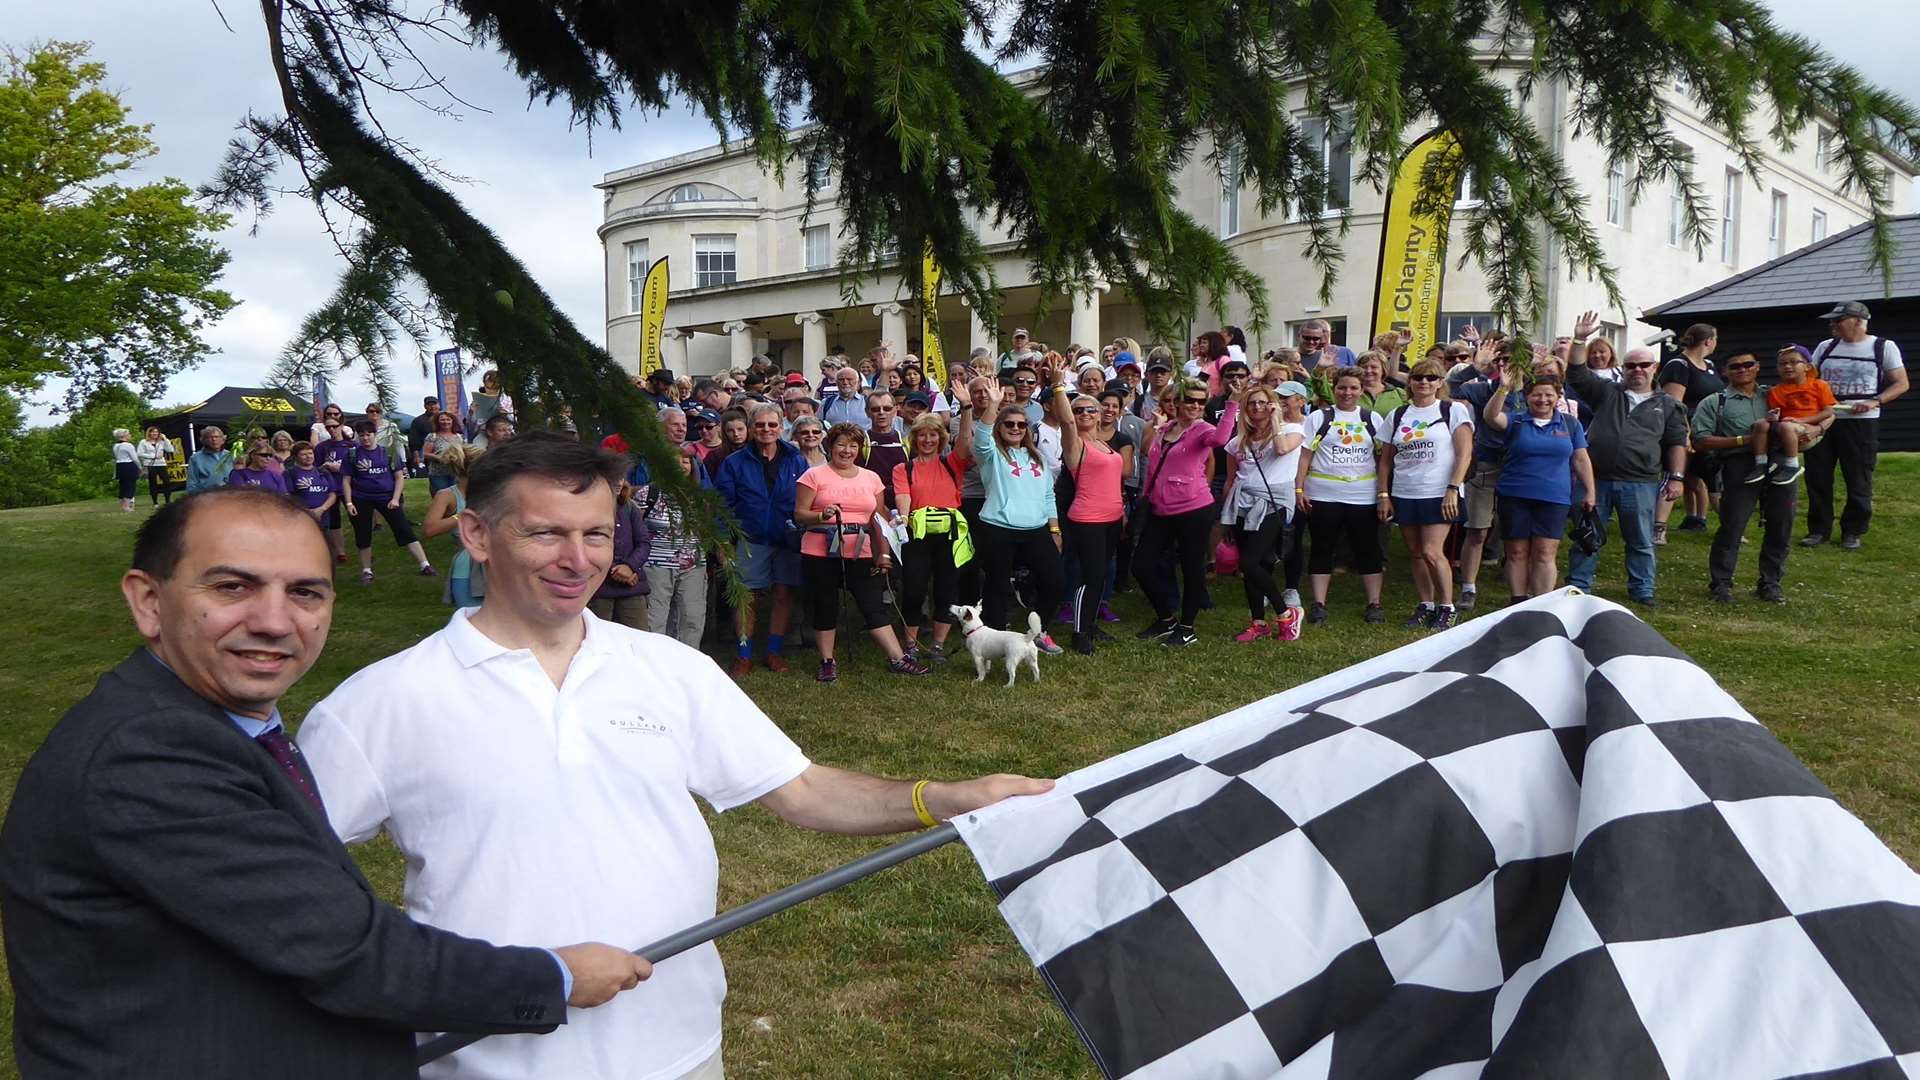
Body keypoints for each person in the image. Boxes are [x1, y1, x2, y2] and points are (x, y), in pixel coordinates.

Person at [296, 434, 1047, 1077]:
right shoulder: (379, 703)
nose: (576, 559)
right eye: (544, 533)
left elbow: (806, 792)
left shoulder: (669, 667)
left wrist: (946, 798)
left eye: (594, 534)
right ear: (477, 537)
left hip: (679, 1050)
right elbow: (284, 889)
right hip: (484, 1059)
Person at [0, 489, 649, 1080]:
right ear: (149, 601)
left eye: (306, 593)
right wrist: (558, 975)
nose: (275, 622)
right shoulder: (148, 754)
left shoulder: (224, 725)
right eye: (232, 587)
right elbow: (350, 955)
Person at [792, 424, 928, 680]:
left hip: (862, 550)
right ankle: (827, 661)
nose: (847, 450)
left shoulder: (871, 478)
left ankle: (898, 659)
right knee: (825, 606)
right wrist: (822, 514)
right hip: (820, 550)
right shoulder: (813, 476)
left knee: (873, 604)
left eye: (853, 445)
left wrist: (884, 553)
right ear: (830, 446)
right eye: (841, 444)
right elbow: (800, 514)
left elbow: (878, 518)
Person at [1566, 346, 1688, 605]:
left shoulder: (1668, 405)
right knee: (1588, 535)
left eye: (1644, 365)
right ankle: (1578, 585)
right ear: (1623, 368)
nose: (1638, 370)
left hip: (1640, 481)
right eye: (1631, 365)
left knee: (1641, 538)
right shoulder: (1607, 392)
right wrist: (1579, 340)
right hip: (1596, 479)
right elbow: (1577, 374)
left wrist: (1677, 477)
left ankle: (1643, 589)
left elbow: (1677, 442)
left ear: (1654, 368)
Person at [952, 375, 1066, 653]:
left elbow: (1048, 495)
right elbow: (980, 438)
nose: (1015, 428)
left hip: (1037, 528)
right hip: (998, 528)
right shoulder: (990, 455)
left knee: (1055, 581)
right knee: (996, 585)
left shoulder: (1037, 456)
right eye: (1009, 424)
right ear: (1000, 427)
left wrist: (1054, 529)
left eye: (1020, 424)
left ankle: (1040, 630)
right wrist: (993, 405)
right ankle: (995, 639)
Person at [1135, 379, 1239, 647]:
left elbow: (1220, 439)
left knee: (1192, 569)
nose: (1195, 405)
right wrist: (1146, 496)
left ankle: (1187, 627)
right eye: (1190, 400)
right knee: (1142, 565)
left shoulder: (1202, 430)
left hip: (1193, 509)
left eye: (1200, 402)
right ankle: (1166, 619)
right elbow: (1152, 464)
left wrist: (1232, 404)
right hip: (1160, 509)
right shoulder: (1166, 428)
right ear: (1178, 402)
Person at [1802, 300, 1909, 550]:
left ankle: (1853, 531)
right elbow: (1809, 380)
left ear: (1858, 322)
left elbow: (1901, 383)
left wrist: (1875, 400)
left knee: (1858, 478)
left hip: (1861, 423)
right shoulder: (1825, 347)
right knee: (1818, 476)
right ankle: (1818, 530)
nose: (1833, 325)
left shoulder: (1883, 347)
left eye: (1838, 321)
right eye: (1832, 321)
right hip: (1825, 420)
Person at [1482, 370, 1596, 604]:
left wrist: (1590, 491)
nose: (1542, 400)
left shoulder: (1570, 423)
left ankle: (1542, 603)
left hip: (1554, 498)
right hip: (1515, 495)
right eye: (1536, 395)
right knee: (1517, 552)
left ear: (1558, 397)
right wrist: (1503, 389)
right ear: (1526, 397)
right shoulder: (1516, 420)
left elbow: (1581, 459)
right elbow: (1491, 417)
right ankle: (1518, 600)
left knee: (1545, 553)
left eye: (1548, 395)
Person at [1378, 359, 1475, 630]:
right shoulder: (1397, 415)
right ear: (1409, 382)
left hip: (1439, 490)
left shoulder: (1452, 410)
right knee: (1416, 552)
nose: (1424, 382)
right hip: (1405, 490)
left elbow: (1464, 454)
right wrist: (1384, 494)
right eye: (1418, 377)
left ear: (1440, 382)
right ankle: (1426, 604)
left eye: (1431, 378)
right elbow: (1385, 460)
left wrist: (1453, 489)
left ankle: (1447, 606)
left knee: (1433, 551)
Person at [713, 402, 807, 676]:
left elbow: (805, 499)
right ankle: (744, 654)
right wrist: (723, 544)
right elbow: (721, 506)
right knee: (747, 599)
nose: (767, 429)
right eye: (760, 425)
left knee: (783, 595)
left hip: (787, 538)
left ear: (781, 427)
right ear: (752, 428)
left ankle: (774, 652)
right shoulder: (734, 462)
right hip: (749, 538)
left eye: (772, 424)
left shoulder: (795, 459)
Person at [1692, 353, 1795, 604]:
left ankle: (1770, 583)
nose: (1742, 370)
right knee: (1733, 525)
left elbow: (1819, 409)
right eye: (1735, 366)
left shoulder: (1776, 394)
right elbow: (1700, 440)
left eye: (1748, 365)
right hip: (1739, 464)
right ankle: (1721, 584)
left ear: (1758, 367)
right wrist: (1745, 440)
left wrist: (1818, 427)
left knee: (1781, 525)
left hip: (1780, 461)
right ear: (1725, 372)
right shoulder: (1715, 401)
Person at [1046, 357, 1131, 655]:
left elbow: (1114, 482)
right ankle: (1080, 634)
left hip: (1110, 518)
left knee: (1102, 575)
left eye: (1089, 409)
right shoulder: (1075, 444)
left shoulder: (1106, 444)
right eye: (1078, 409)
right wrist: (1058, 385)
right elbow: (1066, 421)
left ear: (1100, 415)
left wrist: (1120, 514)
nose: (1082, 413)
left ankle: (1091, 623)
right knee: (1091, 576)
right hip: (1087, 520)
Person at [1295, 369, 1388, 625]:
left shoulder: (1373, 419)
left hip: (1363, 496)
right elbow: (1305, 455)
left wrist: (1383, 494)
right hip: (1324, 494)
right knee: (1322, 548)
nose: (1348, 393)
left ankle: (1374, 603)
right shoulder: (1318, 418)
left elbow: (1382, 460)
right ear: (1334, 389)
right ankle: (1319, 604)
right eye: (1342, 388)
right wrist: (1299, 488)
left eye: (1354, 388)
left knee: (1368, 549)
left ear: (1362, 390)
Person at [1223, 383, 1307, 642]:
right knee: (1249, 567)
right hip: (1242, 502)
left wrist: (1276, 420)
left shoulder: (1292, 430)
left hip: (1273, 502)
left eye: (1263, 402)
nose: (1257, 407)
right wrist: (1225, 517)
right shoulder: (1237, 442)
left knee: (1251, 561)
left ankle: (1285, 613)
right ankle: (1258, 621)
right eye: (1251, 403)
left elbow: (1282, 449)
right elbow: (1230, 478)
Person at [892, 414, 969, 664]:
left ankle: (937, 645)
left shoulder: (952, 463)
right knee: (914, 590)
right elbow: (903, 495)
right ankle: (911, 645)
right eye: (922, 434)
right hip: (917, 534)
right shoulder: (904, 468)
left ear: (941, 437)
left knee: (947, 589)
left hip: (949, 535)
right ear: (914, 438)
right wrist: (903, 517)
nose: (927, 439)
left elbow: (965, 441)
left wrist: (966, 408)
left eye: (933, 434)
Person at [342, 420, 435, 584]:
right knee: (363, 534)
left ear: (375, 435)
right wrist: (349, 503)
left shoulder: (388, 453)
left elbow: (399, 478)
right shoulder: (352, 455)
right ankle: (366, 570)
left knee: (404, 529)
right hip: (361, 497)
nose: (365, 438)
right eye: (361, 435)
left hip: (386, 497)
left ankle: (425, 565)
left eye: (368, 435)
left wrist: (395, 498)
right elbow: (346, 480)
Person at [1658, 323, 1725, 539]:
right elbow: (1674, 404)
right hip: (1685, 429)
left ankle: (1723, 525)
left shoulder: (1710, 365)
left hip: (1709, 430)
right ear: (1708, 341)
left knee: (1706, 479)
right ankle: (1658, 529)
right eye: (1715, 338)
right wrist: (1684, 435)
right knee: (1675, 475)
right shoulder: (1679, 365)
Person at [638, 446, 710, 648]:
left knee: (692, 618)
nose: (681, 465)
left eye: (686, 461)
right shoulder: (648, 494)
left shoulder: (700, 497)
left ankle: (687, 664)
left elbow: (706, 531)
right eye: (675, 460)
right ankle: (655, 665)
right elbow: (636, 529)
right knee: (655, 619)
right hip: (656, 566)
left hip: (693, 566)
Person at [1747, 344, 1836, 487]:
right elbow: (1778, 414)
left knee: (1787, 426)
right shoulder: (1776, 391)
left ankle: (1792, 465)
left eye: (1794, 362)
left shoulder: (1819, 385)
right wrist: (1772, 417)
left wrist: (1801, 420)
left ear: (1807, 366)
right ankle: (1761, 463)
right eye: (1783, 364)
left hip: (1808, 430)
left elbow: (1829, 411)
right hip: (1786, 428)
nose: (1787, 366)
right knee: (1761, 424)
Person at [421, 443, 487, 609]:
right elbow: (430, 529)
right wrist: (464, 515)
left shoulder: (491, 492)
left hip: (499, 564)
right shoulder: (447, 495)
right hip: (468, 566)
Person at [587, 478, 651, 630]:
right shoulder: (587, 507)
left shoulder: (629, 507)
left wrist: (630, 567)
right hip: (599, 587)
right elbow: (587, 543)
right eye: (613, 475)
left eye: (621, 477)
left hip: (631, 587)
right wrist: (618, 570)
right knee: (597, 639)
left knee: (637, 640)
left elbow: (644, 543)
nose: (618, 481)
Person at [862, 391, 909, 506]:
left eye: (887, 408)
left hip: (902, 503)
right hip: (871, 502)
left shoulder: (905, 440)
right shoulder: (861, 442)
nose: (881, 413)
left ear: (895, 410)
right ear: (867, 412)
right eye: (875, 409)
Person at [286, 442, 338, 530]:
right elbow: (288, 496)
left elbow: (332, 494)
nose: (308, 456)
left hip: (323, 516)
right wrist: (305, 511)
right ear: (295, 457)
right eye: (303, 454)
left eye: (310, 453)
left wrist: (322, 509)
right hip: (301, 516)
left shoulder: (323, 472)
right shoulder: (290, 473)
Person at [422, 409, 467, 494]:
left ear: (452, 421)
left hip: (456, 473)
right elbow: (425, 454)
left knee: (457, 497)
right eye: (442, 419)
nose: (445, 422)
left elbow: (465, 451)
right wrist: (438, 457)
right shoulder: (432, 436)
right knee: (441, 495)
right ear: (438, 422)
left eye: (448, 419)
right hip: (438, 474)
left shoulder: (460, 437)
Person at [227, 443, 292, 493]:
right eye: (264, 455)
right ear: (252, 455)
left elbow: (283, 498)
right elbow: (239, 496)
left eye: (270, 456)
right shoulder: (238, 474)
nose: (268, 458)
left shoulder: (276, 476)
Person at [186, 426, 233, 494]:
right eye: (210, 437)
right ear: (204, 440)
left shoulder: (231, 455)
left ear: (223, 440)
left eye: (217, 437)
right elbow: (191, 486)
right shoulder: (195, 459)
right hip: (208, 498)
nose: (214, 439)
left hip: (231, 496)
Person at [136, 425, 175, 506]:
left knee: (167, 482)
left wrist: (165, 439)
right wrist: (153, 456)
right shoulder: (143, 442)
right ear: (149, 433)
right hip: (150, 465)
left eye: (157, 432)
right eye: (153, 432)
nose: (155, 433)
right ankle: (155, 502)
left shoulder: (162, 441)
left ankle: (167, 500)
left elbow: (170, 450)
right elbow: (139, 453)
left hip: (161, 464)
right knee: (153, 483)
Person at [408, 396, 442, 469]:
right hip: (426, 453)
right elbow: (413, 439)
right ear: (425, 406)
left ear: (438, 405)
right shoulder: (418, 421)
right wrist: (416, 456)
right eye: (429, 405)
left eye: (434, 404)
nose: (432, 407)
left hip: (444, 450)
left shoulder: (446, 418)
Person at [112, 428, 141, 511]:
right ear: (124, 435)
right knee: (130, 486)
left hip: (119, 465)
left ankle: (122, 505)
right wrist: (140, 467)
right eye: (129, 434)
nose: (130, 435)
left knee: (123, 486)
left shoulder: (115, 446)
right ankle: (127, 506)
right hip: (128, 465)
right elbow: (135, 458)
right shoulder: (128, 445)